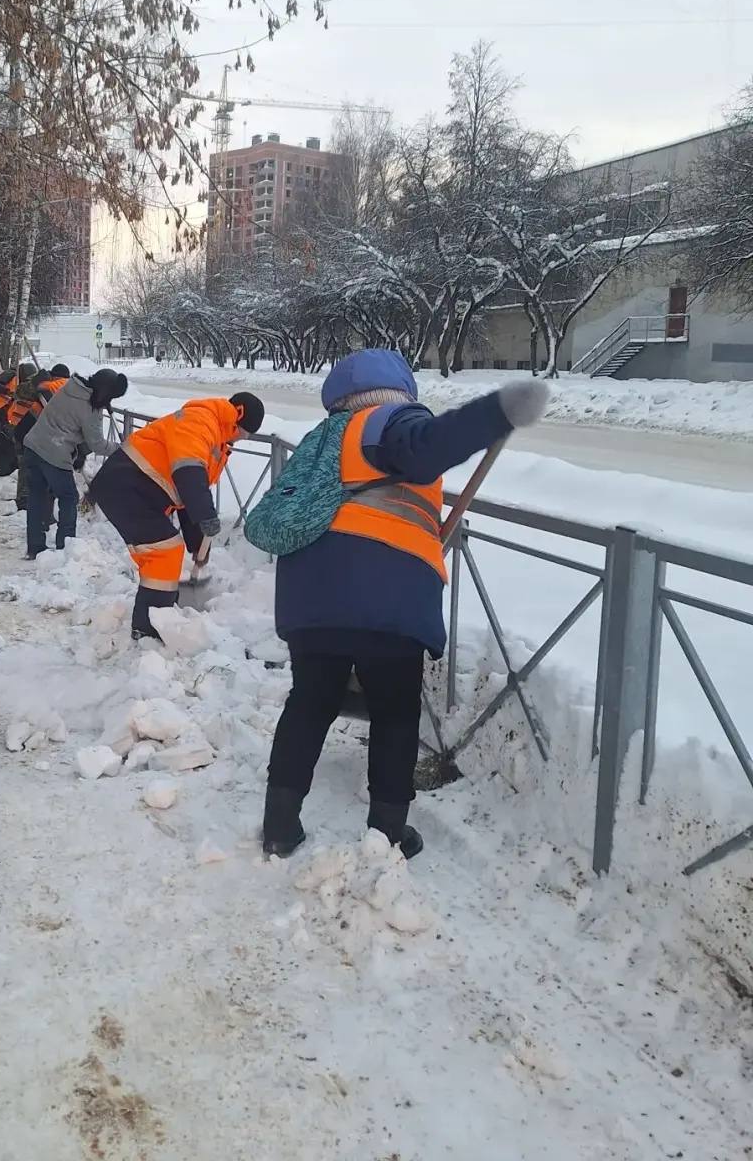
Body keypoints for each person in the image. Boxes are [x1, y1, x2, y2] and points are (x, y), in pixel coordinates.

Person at [260, 349, 549, 862]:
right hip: (384, 597)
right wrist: (497, 413)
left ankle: (280, 825)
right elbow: (426, 449)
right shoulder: (392, 419)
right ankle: (387, 834)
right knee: (394, 712)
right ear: (399, 389)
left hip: (310, 598)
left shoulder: (323, 439)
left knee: (310, 702)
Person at [88, 392, 265, 639]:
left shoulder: (217, 436)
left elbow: (187, 494)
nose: (241, 439)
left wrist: (197, 542)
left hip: (136, 491)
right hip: (126, 487)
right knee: (164, 551)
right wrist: (205, 513)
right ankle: (149, 627)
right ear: (237, 415)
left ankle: (158, 615)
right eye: (242, 433)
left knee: (167, 551)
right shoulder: (201, 421)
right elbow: (188, 472)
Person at [21, 368, 127, 559]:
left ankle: (35, 546)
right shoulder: (90, 408)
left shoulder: (70, 386)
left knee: (36, 497)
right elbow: (97, 444)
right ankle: (66, 546)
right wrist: (122, 448)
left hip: (33, 446)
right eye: (110, 397)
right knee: (69, 497)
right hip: (54, 452)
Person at [11, 364, 69, 515]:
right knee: (27, 467)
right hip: (26, 430)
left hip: (31, 430)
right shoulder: (39, 388)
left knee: (33, 469)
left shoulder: (49, 389)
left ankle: (33, 502)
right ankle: (24, 502)